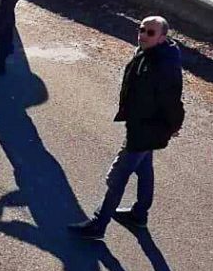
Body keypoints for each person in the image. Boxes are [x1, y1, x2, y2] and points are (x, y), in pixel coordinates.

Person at [70, 16, 184, 239]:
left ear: (163, 37)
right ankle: (139, 215)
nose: (142, 35)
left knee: (117, 177)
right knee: (144, 168)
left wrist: (172, 126)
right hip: (140, 125)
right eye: (141, 29)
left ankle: (98, 225)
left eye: (150, 32)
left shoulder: (163, 66)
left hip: (146, 129)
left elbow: (172, 101)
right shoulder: (148, 53)